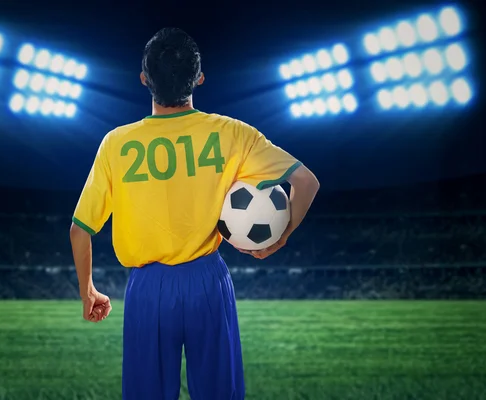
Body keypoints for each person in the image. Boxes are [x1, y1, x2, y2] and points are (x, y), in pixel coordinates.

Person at [70, 27, 319, 400]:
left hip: (147, 289)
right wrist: (279, 238)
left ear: (144, 79)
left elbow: (80, 229)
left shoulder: (117, 143)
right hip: (208, 282)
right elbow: (306, 182)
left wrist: (88, 290)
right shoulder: (231, 133)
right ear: (199, 78)